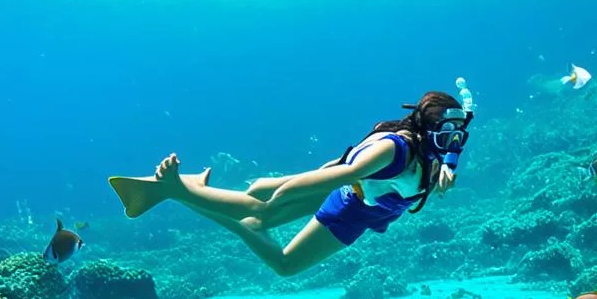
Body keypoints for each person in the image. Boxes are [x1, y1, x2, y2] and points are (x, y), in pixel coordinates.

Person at [107, 90, 472, 277]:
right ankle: (180, 191)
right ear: (426, 127)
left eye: (458, 133)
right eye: (447, 132)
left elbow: (447, 150)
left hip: (367, 206)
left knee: (258, 204)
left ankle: (191, 190)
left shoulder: (435, 147)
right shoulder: (393, 151)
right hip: (350, 205)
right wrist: (276, 196)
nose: (453, 141)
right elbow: (342, 174)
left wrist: (446, 166)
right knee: (279, 255)